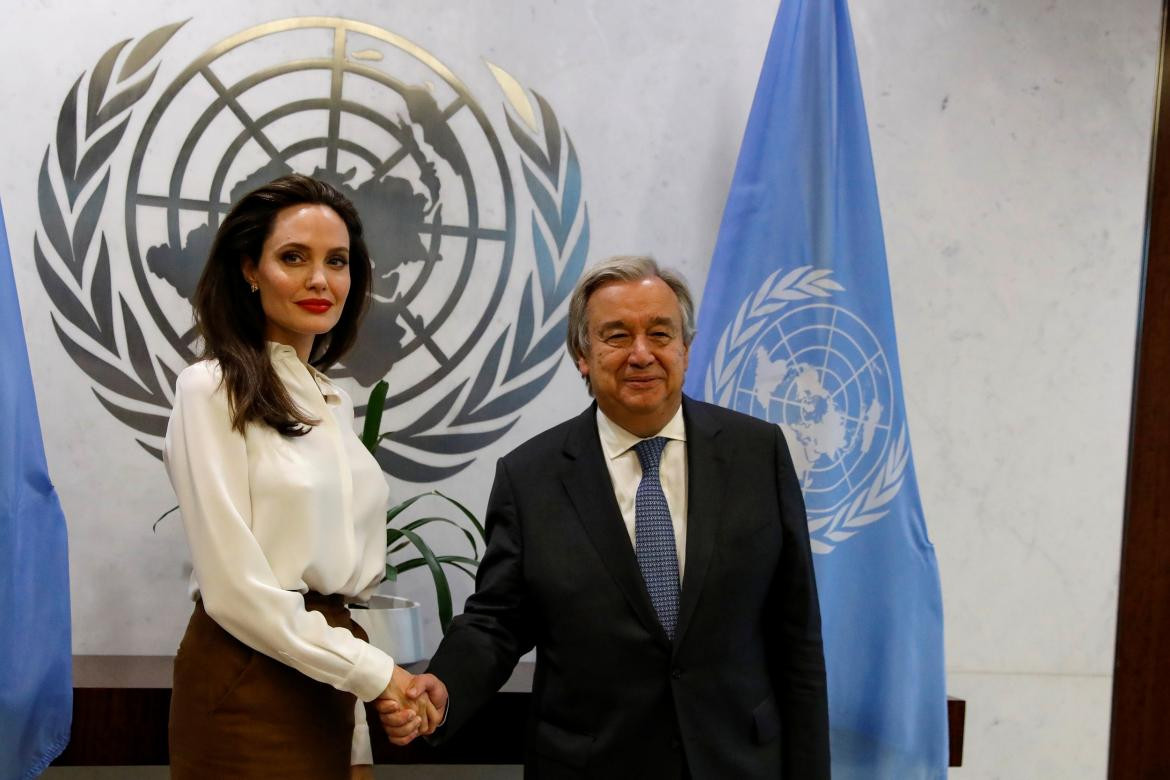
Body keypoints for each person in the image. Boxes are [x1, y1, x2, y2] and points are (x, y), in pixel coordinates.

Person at [379, 255, 830, 778]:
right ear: (582, 355)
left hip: (737, 761)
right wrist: (446, 686)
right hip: (592, 764)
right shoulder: (531, 477)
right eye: (617, 336)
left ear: (685, 347)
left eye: (660, 334)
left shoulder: (758, 454)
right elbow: (497, 620)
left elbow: (796, 633)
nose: (642, 355)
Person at [164, 174, 437, 780]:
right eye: (294, 257)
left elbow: (338, 602)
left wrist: (360, 734)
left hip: (330, 679)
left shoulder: (332, 401)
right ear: (249, 270)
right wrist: (376, 675)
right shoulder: (209, 388)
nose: (320, 280)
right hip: (245, 679)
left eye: (336, 262)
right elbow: (236, 591)